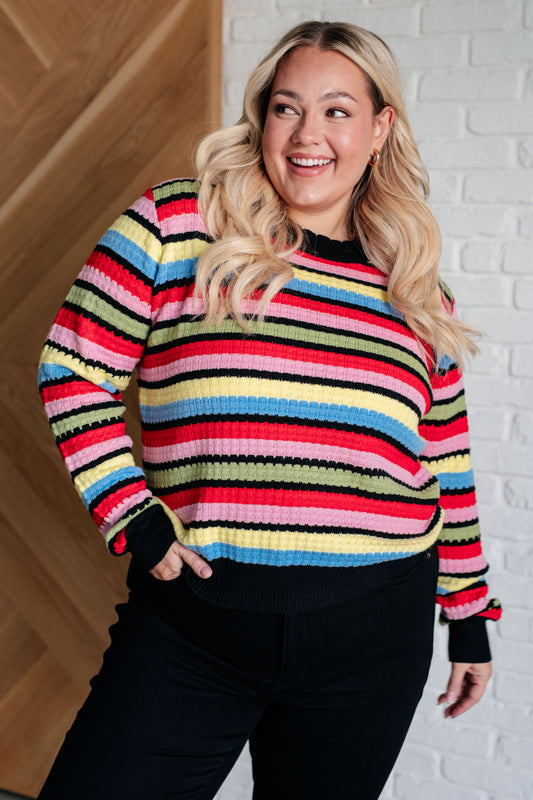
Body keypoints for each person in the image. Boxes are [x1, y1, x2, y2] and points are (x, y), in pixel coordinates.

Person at [37, 20, 501, 800]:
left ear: (379, 128)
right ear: (261, 118)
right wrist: (133, 514)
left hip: (372, 638)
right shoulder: (175, 226)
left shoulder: (415, 292)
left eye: (336, 111)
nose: (306, 134)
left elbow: (444, 464)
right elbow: (72, 368)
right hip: (192, 627)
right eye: (287, 108)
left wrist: (468, 615)